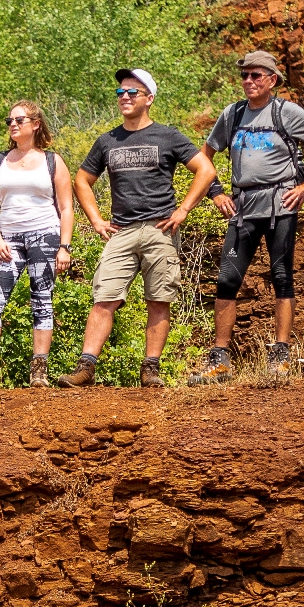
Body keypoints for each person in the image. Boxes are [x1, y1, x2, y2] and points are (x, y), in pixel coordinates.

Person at [58, 68, 215, 389]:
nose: (125, 97)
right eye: (120, 93)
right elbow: (82, 180)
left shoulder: (168, 136)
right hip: (122, 231)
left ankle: (150, 370)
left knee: (158, 299)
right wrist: (96, 220)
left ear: (149, 99)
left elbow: (205, 169)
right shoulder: (107, 140)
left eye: (132, 92)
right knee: (104, 297)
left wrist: (183, 210)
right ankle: (85, 368)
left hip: (160, 230)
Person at [188, 50, 304, 385]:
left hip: (281, 205)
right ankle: (219, 361)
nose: (248, 81)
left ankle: (280, 358)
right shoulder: (232, 114)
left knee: (281, 277)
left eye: (256, 75)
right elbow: (204, 155)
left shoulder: (285, 112)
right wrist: (216, 190)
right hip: (243, 206)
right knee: (226, 281)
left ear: (272, 79)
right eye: (245, 75)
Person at [0, 102, 74, 389]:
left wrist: (64, 246)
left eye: (19, 119)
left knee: (41, 300)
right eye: (10, 120)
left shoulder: (52, 161)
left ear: (35, 124)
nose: (13, 124)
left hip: (44, 235)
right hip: (9, 240)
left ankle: (39, 372)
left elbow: (67, 206)